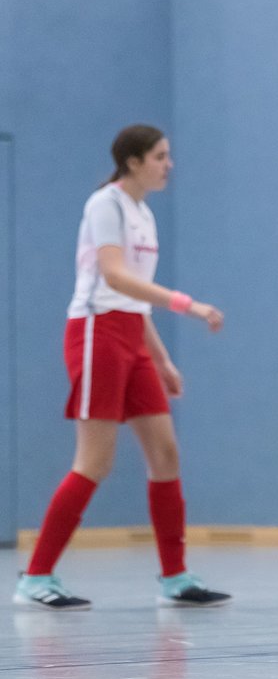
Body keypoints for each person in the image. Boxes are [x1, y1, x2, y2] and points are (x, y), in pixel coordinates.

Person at [13, 124, 231, 611]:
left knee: (166, 455)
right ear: (133, 162)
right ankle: (36, 575)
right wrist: (188, 305)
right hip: (96, 334)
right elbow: (113, 277)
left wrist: (161, 359)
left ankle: (175, 578)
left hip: (131, 337)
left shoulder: (144, 214)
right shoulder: (105, 204)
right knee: (95, 461)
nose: (168, 164)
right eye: (159, 156)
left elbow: (135, 298)